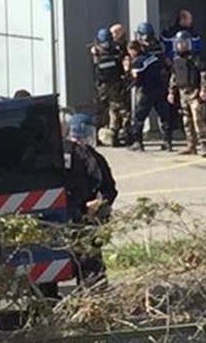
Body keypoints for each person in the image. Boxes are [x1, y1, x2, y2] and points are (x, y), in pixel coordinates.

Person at [61, 112, 117, 285]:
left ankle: (49, 299)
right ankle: (93, 295)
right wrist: (99, 204)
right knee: (90, 261)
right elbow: (108, 187)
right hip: (85, 217)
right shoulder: (91, 156)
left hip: (62, 214)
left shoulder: (57, 151)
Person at [169, 31, 206, 157]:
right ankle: (191, 145)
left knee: (198, 119)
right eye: (178, 43)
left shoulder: (195, 59)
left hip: (195, 92)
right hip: (183, 93)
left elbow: (204, 74)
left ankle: (204, 145)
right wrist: (171, 92)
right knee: (186, 120)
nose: (181, 45)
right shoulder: (176, 60)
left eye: (183, 43)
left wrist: (204, 90)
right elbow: (174, 77)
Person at [135, 22, 175, 148]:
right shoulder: (160, 46)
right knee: (164, 115)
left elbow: (137, 66)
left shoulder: (142, 50)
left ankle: (138, 142)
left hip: (147, 87)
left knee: (139, 116)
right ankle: (167, 142)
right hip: (161, 85)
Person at [90, 28, 129, 146]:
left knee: (101, 111)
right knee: (118, 110)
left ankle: (96, 137)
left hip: (102, 86)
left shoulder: (96, 51)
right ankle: (117, 137)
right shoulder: (115, 49)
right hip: (115, 85)